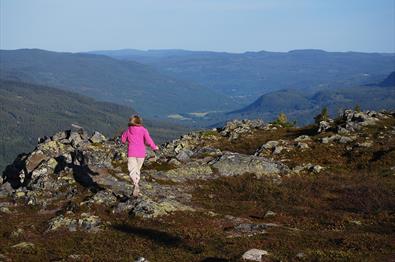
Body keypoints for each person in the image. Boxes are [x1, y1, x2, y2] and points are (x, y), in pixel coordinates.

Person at [121, 115, 159, 197]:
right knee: (137, 170)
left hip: (131, 153)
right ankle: (136, 185)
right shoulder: (144, 130)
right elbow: (149, 140)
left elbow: (123, 140)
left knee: (132, 170)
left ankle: (135, 184)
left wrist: (126, 140)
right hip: (141, 154)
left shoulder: (128, 130)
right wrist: (154, 147)